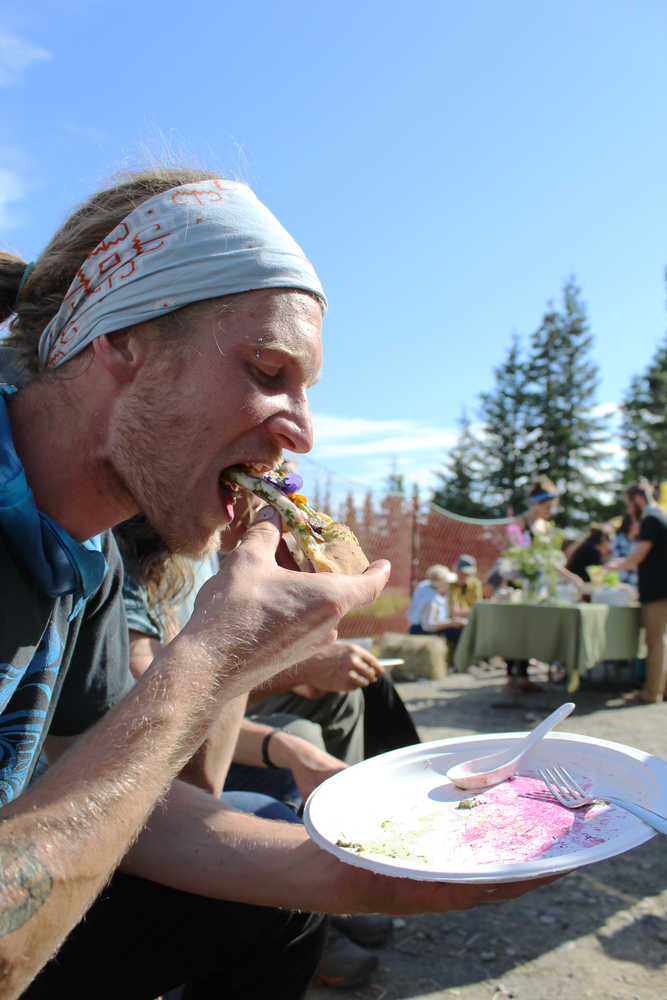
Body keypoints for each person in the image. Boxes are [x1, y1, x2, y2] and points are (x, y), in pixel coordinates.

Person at [0, 167, 550, 997]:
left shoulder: (91, 562)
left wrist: (363, 878)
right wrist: (214, 658)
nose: (300, 430)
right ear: (119, 340)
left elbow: (117, 791)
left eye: (306, 388)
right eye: (266, 370)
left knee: (275, 902)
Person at [609, 481, 667, 704]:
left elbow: (636, 558)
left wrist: (614, 566)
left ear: (638, 499)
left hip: (657, 592)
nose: (628, 509)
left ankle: (651, 693)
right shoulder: (659, 517)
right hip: (660, 590)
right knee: (660, 641)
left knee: (655, 642)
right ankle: (659, 688)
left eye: (628, 503)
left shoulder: (652, 520)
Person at [504, 476, 560, 691]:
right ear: (535, 503)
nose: (549, 511)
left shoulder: (545, 527)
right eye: (547, 506)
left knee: (531, 629)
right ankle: (513, 675)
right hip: (519, 583)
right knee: (515, 629)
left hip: (538, 585)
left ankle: (524, 674)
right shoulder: (520, 523)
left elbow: (550, 559)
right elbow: (515, 554)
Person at [406, 564, 465, 639]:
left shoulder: (424, 586)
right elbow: (428, 626)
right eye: (447, 583)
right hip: (421, 632)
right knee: (459, 631)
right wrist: (452, 623)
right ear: (442, 584)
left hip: (416, 627)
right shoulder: (431, 600)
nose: (449, 585)